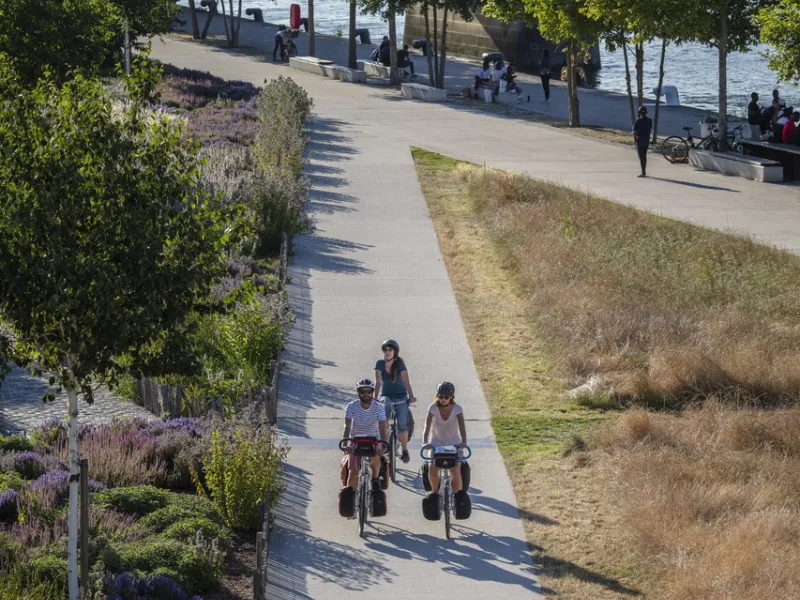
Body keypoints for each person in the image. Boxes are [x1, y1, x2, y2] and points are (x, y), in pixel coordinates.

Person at [339, 378, 388, 518]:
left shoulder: (378, 407)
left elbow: (383, 427)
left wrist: (383, 444)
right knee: (353, 470)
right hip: (356, 439)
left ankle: (374, 478)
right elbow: (347, 427)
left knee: (376, 456)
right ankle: (351, 504)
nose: (365, 394)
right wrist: (346, 444)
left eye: (368, 392)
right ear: (358, 393)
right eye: (362, 392)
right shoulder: (352, 406)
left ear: (372, 392)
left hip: (374, 437)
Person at [421, 381, 469, 516]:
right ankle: (435, 493)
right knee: (432, 468)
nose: (443, 399)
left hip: (454, 443)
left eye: (446, 397)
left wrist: (463, 442)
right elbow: (427, 426)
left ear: (451, 397)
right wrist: (425, 442)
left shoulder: (457, 409)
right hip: (436, 443)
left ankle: (457, 496)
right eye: (441, 396)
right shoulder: (432, 408)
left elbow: (462, 427)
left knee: (456, 469)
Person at [374, 339, 416, 463]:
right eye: (385, 350)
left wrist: (411, 396)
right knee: (385, 415)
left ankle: (404, 450)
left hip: (401, 397)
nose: (387, 352)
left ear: (395, 352)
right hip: (386, 395)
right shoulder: (380, 364)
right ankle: (385, 445)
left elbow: (406, 381)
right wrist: (375, 398)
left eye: (390, 350)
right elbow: (378, 382)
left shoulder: (400, 365)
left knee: (402, 425)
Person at [633, 105, 653, 178]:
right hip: (646, 140)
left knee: (641, 157)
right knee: (644, 156)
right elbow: (649, 129)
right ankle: (644, 171)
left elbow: (635, 132)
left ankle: (643, 172)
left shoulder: (638, 121)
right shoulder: (650, 120)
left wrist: (634, 140)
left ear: (639, 113)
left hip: (640, 140)